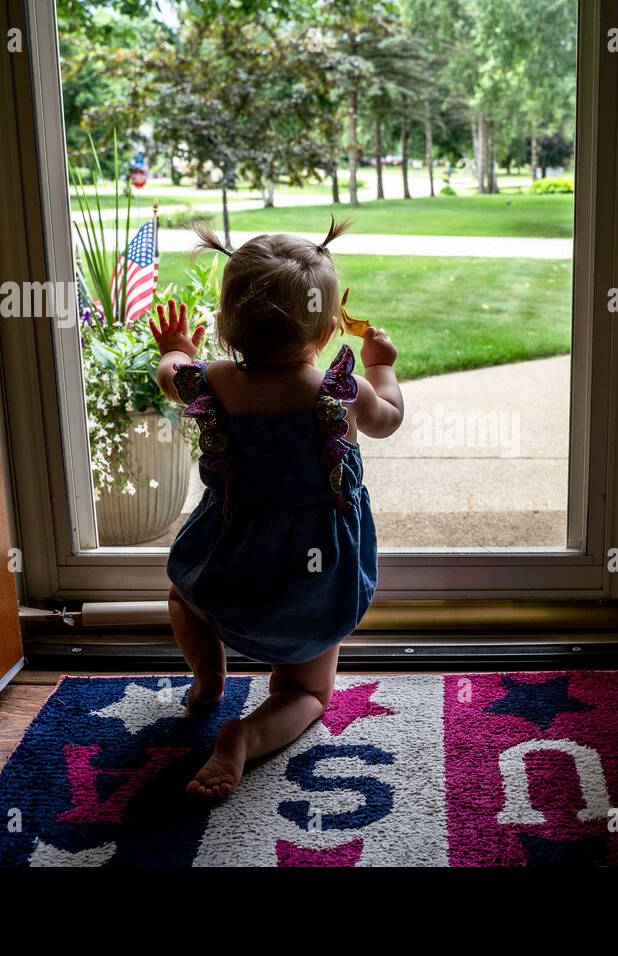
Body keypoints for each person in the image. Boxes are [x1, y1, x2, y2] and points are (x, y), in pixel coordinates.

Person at [149, 217, 403, 798]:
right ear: (325, 331)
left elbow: (169, 374)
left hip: (230, 576)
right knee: (308, 695)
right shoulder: (340, 391)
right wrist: (381, 366)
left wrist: (174, 349)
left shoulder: (208, 381)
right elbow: (388, 421)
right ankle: (246, 736)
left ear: (225, 323)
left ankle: (210, 678)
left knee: (181, 594)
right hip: (315, 586)